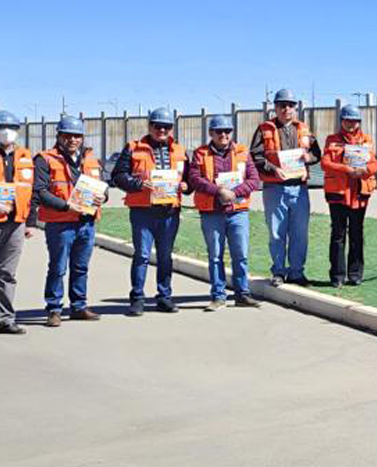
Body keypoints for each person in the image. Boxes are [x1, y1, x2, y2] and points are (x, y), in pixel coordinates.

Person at [111, 108, 189, 316]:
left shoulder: (180, 151)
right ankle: (137, 298)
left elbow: (189, 179)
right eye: (157, 126)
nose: (162, 130)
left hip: (169, 211)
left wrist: (186, 187)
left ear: (171, 128)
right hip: (143, 211)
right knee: (142, 255)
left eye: (166, 127)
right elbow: (117, 176)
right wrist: (138, 184)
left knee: (165, 256)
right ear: (150, 126)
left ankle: (164, 297)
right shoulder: (133, 148)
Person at [33, 116, 107, 327]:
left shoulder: (90, 159)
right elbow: (40, 191)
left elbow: (103, 185)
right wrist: (66, 206)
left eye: (77, 136)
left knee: (81, 267)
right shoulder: (45, 159)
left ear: (82, 138)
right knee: (58, 267)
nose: (72, 139)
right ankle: (54, 309)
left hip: (86, 222)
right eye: (68, 135)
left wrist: (104, 196)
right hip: (60, 223)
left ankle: (78, 306)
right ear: (59, 136)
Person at [188, 115, 262, 311]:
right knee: (215, 256)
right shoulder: (200, 154)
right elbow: (195, 178)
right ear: (211, 133)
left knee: (241, 255)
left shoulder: (243, 152)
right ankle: (218, 295)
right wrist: (218, 191)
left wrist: (234, 193)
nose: (223, 135)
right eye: (219, 131)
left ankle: (242, 294)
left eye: (227, 131)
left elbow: (254, 180)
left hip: (238, 212)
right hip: (212, 212)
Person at [250, 89, 322, 287]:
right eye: (282, 105)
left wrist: (310, 157)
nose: (286, 109)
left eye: (290, 105)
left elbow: (317, 153)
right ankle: (279, 271)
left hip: (299, 188)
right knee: (276, 233)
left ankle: (297, 272)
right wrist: (273, 170)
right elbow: (256, 156)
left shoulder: (304, 129)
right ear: (275, 107)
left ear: (295, 108)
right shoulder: (264, 129)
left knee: (300, 233)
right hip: (275, 188)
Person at [321, 105, 377, 287]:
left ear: (359, 122)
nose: (351, 124)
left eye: (354, 121)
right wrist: (347, 170)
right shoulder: (332, 140)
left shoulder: (367, 140)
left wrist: (365, 171)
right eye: (347, 120)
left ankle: (355, 274)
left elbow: (375, 163)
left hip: (359, 193)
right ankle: (337, 276)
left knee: (357, 234)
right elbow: (325, 163)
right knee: (338, 234)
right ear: (341, 121)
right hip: (338, 194)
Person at [0, 110, 36, 334]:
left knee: (7, 274)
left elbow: (30, 192)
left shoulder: (25, 156)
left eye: (11, 128)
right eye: (2, 127)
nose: (6, 132)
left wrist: (30, 222)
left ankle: (5, 319)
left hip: (16, 222)